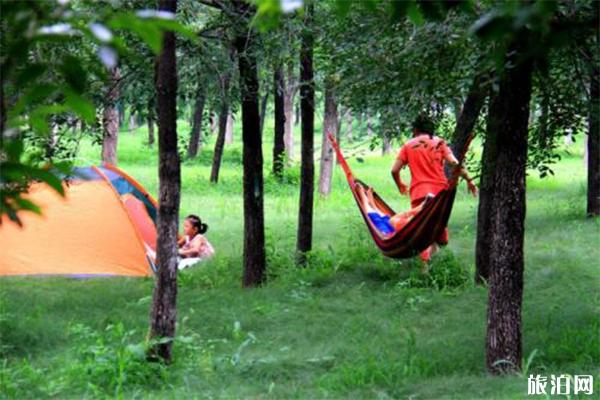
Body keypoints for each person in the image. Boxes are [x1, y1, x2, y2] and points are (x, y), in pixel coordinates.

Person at [391, 114, 477, 263]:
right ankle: (426, 266)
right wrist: (469, 179)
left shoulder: (408, 145)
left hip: (419, 193)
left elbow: (394, 170)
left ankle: (426, 262)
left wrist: (400, 184)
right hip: (440, 196)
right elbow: (454, 163)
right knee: (437, 234)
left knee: (424, 231)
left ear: (415, 129)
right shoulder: (439, 143)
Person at [356, 187, 431, 235]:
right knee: (388, 220)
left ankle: (365, 201)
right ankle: (373, 205)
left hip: (391, 234)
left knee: (383, 221)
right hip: (399, 230)